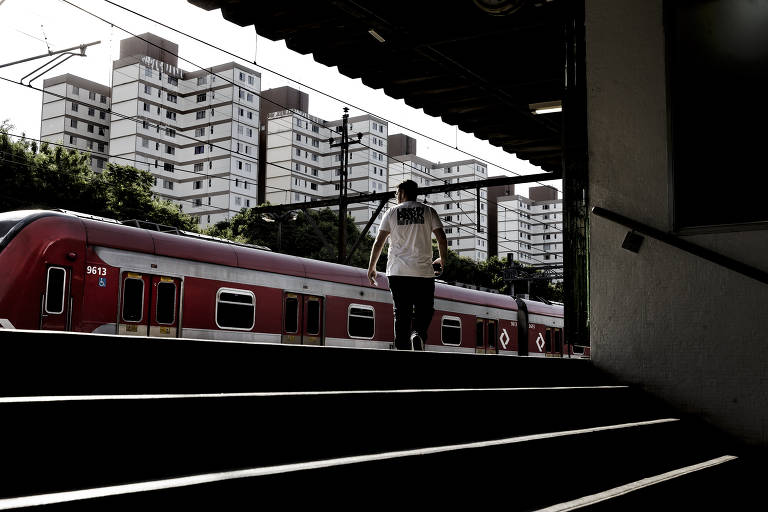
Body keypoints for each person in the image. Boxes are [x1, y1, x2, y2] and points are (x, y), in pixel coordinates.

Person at [367, 179, 447, 350]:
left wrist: (372, 267)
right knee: (424, 310)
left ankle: (402, 349)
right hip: (423, 272)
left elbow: (379, 242)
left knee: (401, 313)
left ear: (402, 192)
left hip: (397, 272)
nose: (396, 197)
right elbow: (442, 238)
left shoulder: (391, 212)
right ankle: (418, 334)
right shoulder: (428, 211)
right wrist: (443, 260)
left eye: (396, 194)